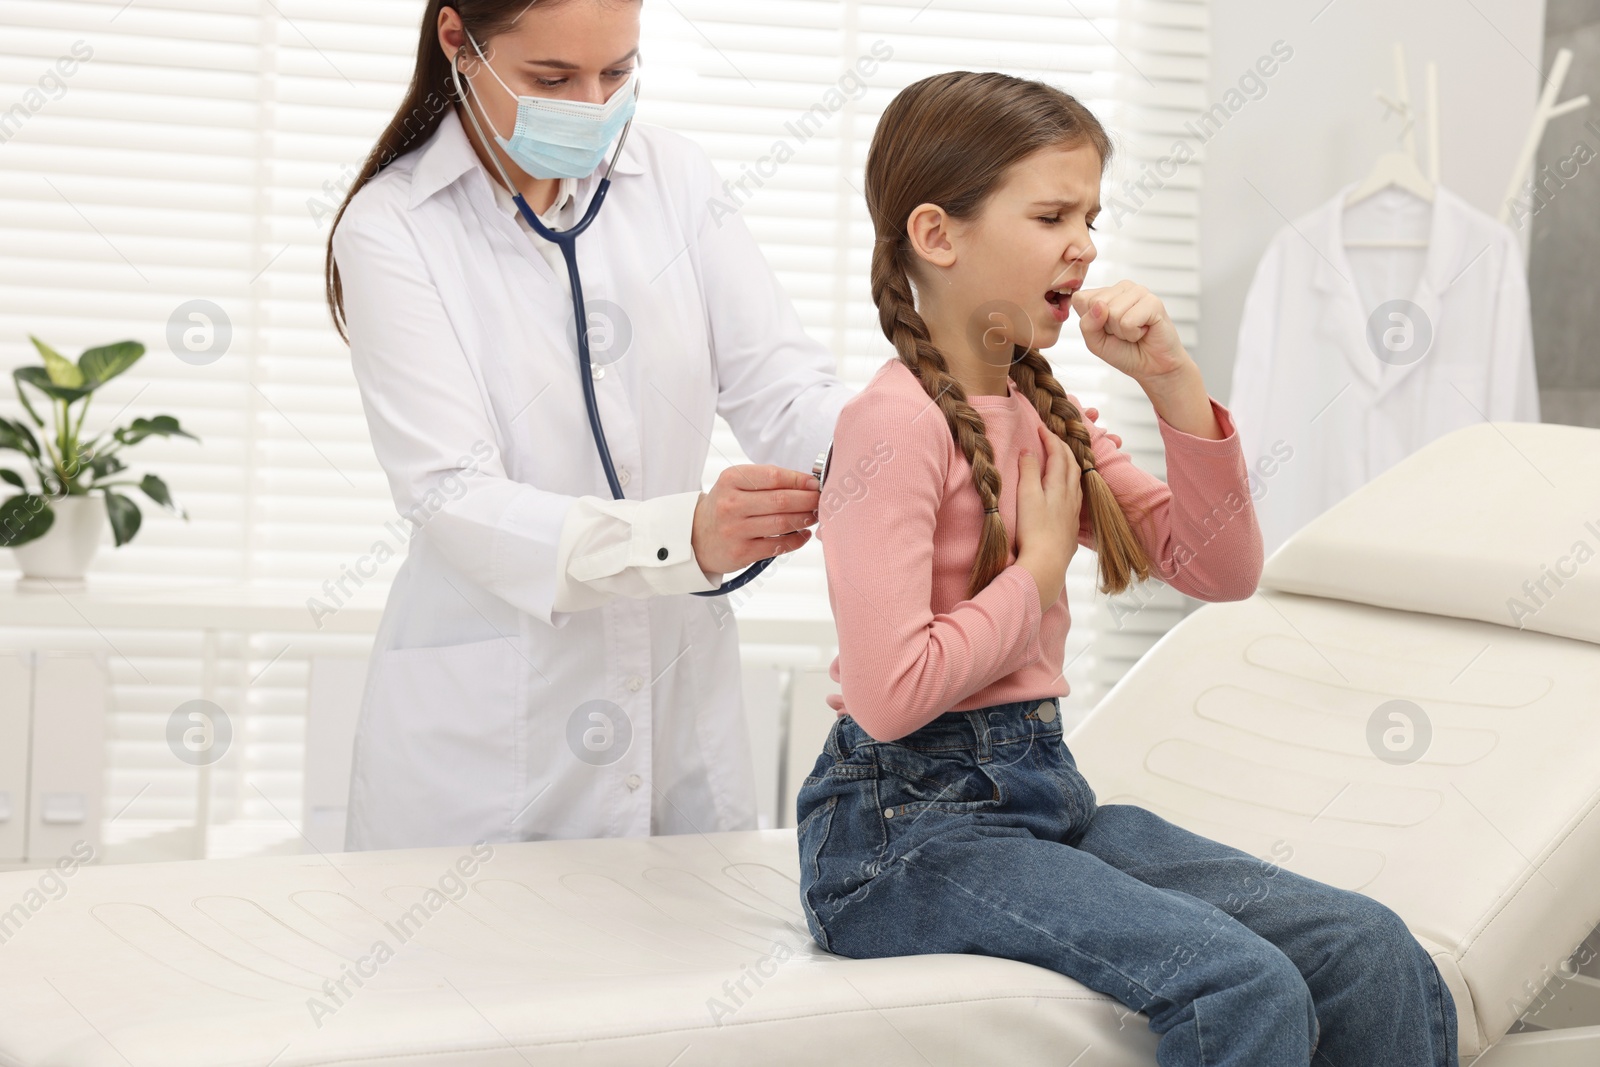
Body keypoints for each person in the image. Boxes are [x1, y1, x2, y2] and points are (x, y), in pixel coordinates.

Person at [796, 71, 1460, 1065]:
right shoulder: (890, 426)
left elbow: (1220, 566)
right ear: (937, 235)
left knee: (1370, 950)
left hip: (1039, 798)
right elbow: (891, 698)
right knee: (1239, 981)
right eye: (1053, 213)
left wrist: (1170, 382)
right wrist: (1042, 568)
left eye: (1092, 216)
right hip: (895, 836)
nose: (1087, 244)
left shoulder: (1046, 411)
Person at [325, 0, 853, 850]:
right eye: (552, 79)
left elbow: (785, 391)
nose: (593, 106)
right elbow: (451, 493)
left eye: (618, 73)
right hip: (490, 756)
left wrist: (917, 448)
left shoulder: (675, 181)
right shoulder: (394, 229)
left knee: (687, 966)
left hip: (676, 718)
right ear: (459, 41)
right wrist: (683, 535)